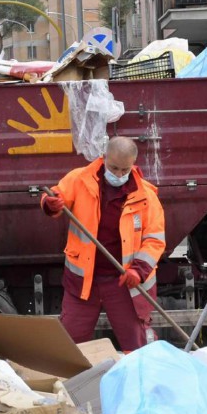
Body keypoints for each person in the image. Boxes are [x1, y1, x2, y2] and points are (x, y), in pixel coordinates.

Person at [40, 136, 166, 351]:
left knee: (137, 345)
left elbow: (154, 240)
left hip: (125, 283)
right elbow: (55, 198)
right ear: (104, 157)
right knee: (71, 344)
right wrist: (50, 203)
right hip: (83, 282)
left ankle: (137, 380)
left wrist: (138, 270)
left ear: (133, 165)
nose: (118, 175)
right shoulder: (79, 180)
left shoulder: (146, 196)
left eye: (124, 170)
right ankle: (72, 383)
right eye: (114, 168)